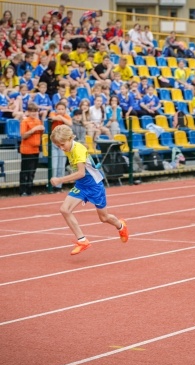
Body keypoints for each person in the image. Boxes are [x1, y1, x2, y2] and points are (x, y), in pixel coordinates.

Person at [50, 124, 128, 255]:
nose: (61, 148)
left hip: (94, 186)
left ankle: (120, 225)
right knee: (64, 209)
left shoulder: (78, 149)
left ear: (70, 138)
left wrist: (60, 180)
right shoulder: (68, 148)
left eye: (62, 144)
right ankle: (82, 240)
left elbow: (81, 173)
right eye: (58, 146)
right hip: (81, 185)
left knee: (104, 218)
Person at [19, 103, 45, 196]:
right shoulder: (25, 122)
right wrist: (34, 129)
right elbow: (23, 135)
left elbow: (41, 135)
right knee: (25, 171)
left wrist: (42, 130)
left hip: (36, 149)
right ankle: (22, 191)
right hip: (26, 150)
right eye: (32, 111)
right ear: (28, 112)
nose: (34, 113)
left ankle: (29, 190)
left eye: (35, 111)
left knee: (33, 171)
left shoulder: (38, 121)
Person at [49, 101, 73, 191]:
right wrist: (58, 117)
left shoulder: (66, 116)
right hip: (54, 142)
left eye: (62, 109)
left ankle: (59, 186)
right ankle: (51, 184)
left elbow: (70, 123)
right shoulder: (52, 113)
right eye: (59, 109)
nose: (60, 110)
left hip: (63, 143)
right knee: (54, 165)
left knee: (61, 165)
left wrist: (61, 118)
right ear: (56, 109)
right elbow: (52, 117)